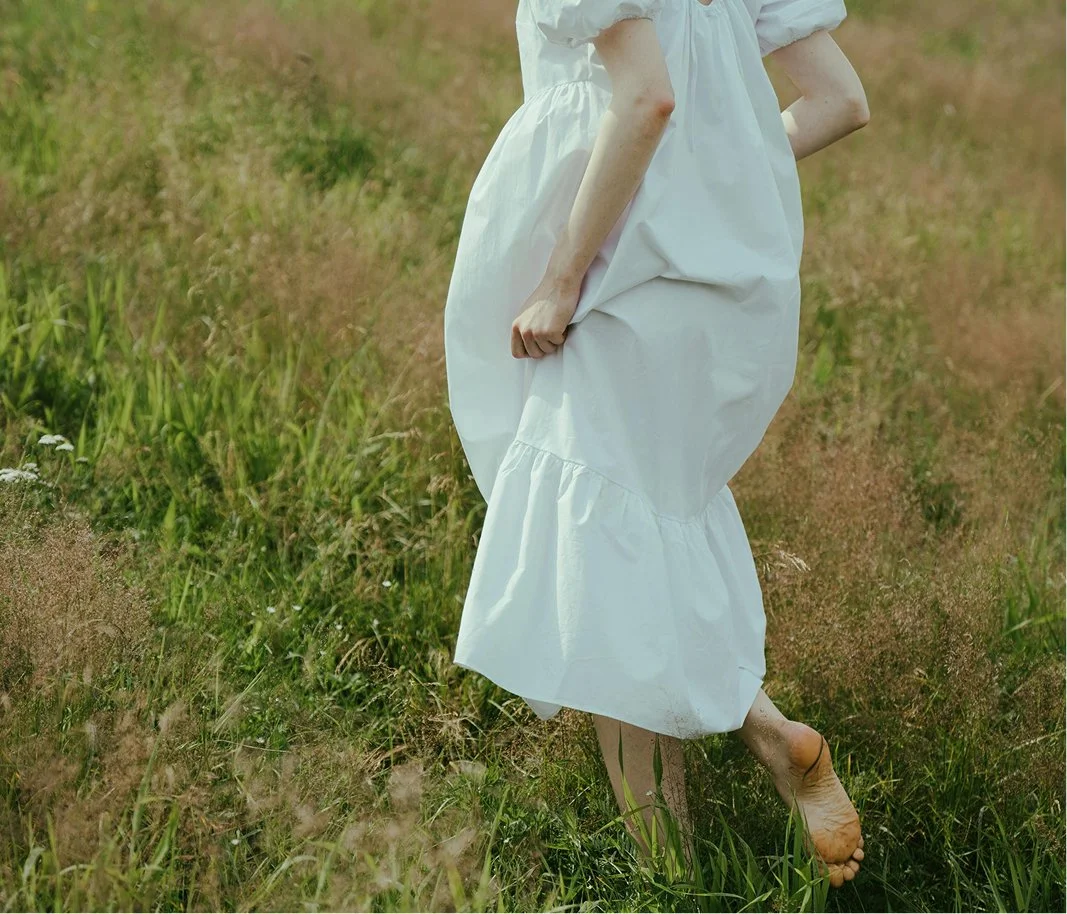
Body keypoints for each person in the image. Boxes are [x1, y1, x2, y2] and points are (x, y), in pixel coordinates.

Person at [443, 0, 869, 887]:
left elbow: (644, 103)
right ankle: (732, 763)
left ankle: (673, 860)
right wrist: (716, 177)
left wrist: (560, 283)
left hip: (621, 272)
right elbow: (839, 100)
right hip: (715, 277)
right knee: (629, 534)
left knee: (595, 555)